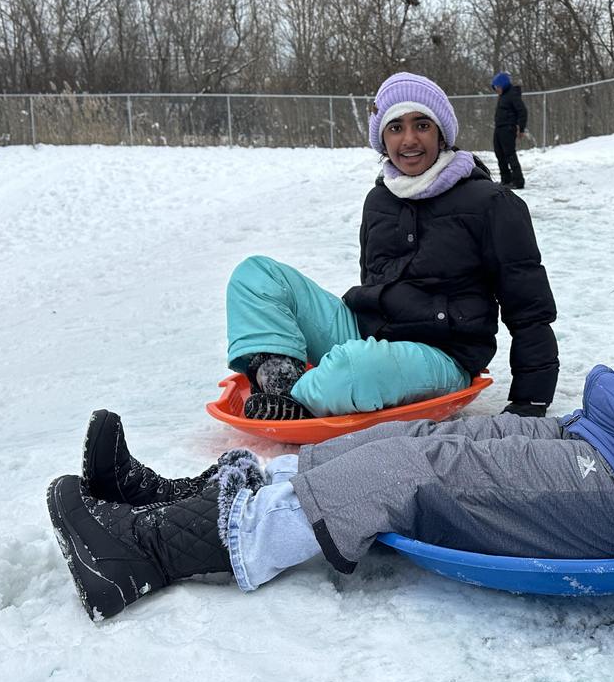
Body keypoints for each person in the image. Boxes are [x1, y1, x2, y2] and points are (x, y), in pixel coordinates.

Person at [46, 70, 614, 621]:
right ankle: (179, 500)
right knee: (381, 443)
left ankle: (150, 554)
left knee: (404, 473)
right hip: (596, 446)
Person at [226, 72, 558, 421]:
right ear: (382, 139)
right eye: (396, 127)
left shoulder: (491, 203)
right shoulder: (379, 201)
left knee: (355, 367)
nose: (409, 139)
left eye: (422, 125)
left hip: (441, 355)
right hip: (368, 335)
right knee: (256, 274)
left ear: (442, 133)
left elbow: (528, 306)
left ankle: (303, 396)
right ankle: (281, 388)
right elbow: (373, 280)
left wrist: (531, 398)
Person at [491, 72, 527, 189]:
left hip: (507, 128)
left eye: (498, 87)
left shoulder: (512, 94)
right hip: (499, 128)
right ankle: (506, 179)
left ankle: (518, 181)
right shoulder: (503, 96)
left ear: (504, 85)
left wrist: (521, 128)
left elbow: (522, 111)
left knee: (509, 154)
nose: (497, 90)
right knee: (499, 154)